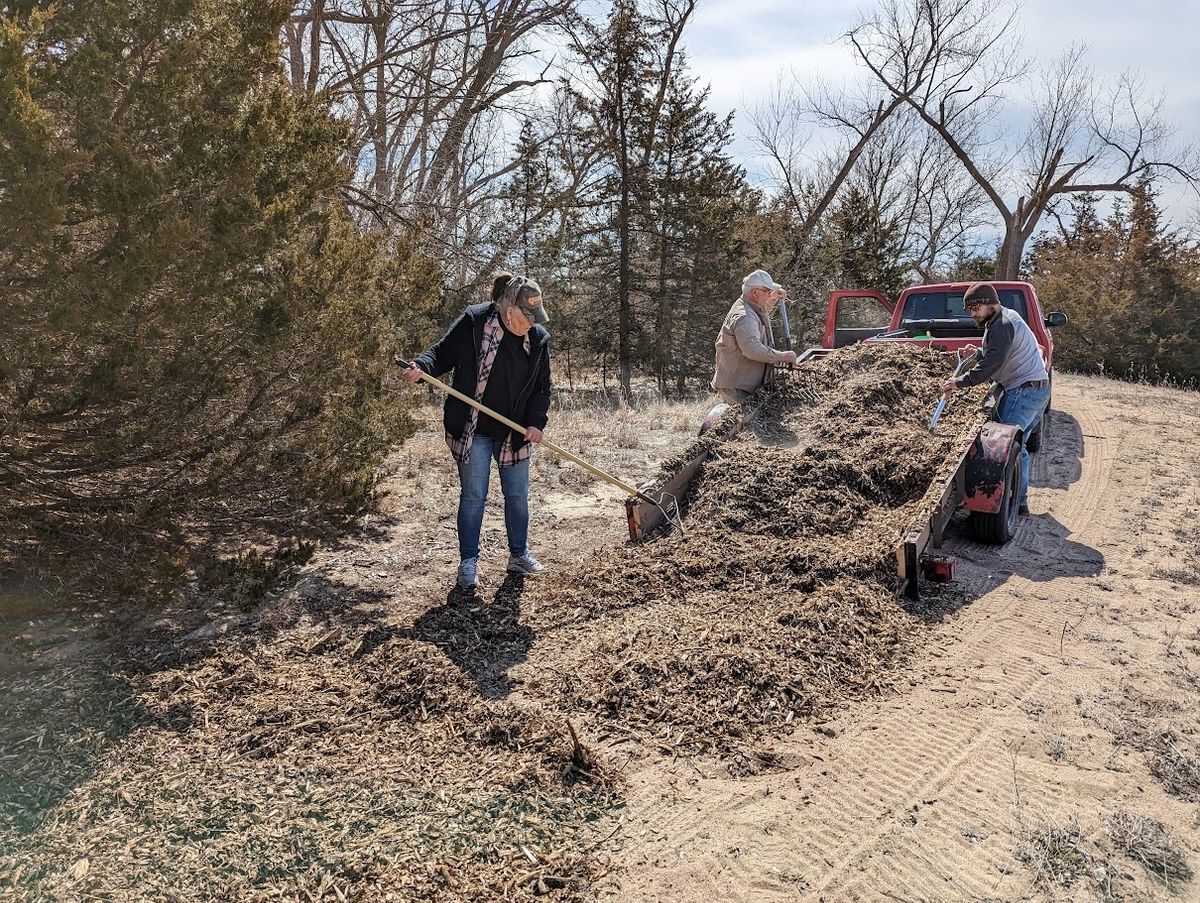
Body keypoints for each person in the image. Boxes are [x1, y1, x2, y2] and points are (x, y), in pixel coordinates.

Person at [400, 273, 552, 589]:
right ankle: (469, 563)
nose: (532, 324)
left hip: (515, 432)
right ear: (508, 311)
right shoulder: (475, 322)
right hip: (474, 429)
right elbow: (440, 353)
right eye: (527, 318)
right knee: (473, 496)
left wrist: (537, 422)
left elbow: (542, 389)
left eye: (536, 318)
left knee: (518, 496)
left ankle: (518, 555)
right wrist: (420, 367)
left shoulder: (537, 340)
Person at [942, 281, 1050, 516]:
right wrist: (977, 352)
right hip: (1035, 390)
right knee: (1017, 448)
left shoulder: (1002, 324)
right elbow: (996, 352)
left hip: (1024, 391)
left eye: (974, 309)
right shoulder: (1003, 319)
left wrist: (960, 382)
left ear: (986, 303)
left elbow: (992, 364)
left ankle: (1005, 507)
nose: (972, 315)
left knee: (1004, 450)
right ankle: (1019, 502)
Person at [712, 269, 798, 404]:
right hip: (738, 388)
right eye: (768, 291)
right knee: (746, 423)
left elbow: (760, 315)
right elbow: (752, 350)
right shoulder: (745, 316)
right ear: (755, 292)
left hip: (745, 384)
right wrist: (782, 356)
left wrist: (773, 297)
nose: (770, 294)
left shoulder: (751, 306)